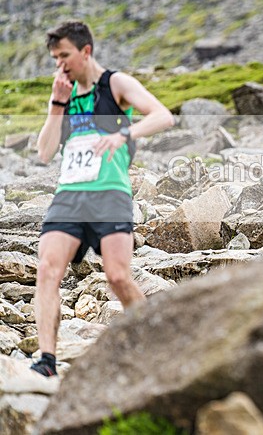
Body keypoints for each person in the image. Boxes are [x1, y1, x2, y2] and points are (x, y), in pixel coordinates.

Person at [31, 21, 175, 377]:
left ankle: (156, 346)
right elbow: (44, 153)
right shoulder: (63, 94)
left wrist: (123, 134)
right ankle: (46, 360)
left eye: (64, 56)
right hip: (69, 196)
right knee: (47, 270)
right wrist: (56, 104)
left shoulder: (115, 84)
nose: (60, 65)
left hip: (110, 193)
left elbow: (162, 116)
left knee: (118, 277)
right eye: (55, 58)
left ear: (86, 51)